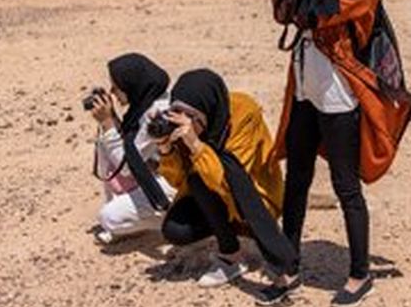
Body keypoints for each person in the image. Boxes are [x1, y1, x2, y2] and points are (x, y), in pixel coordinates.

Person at [266, 0, 411, 307]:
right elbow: (287, 10)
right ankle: (289, 266)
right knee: (297, 178)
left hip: (338, 92)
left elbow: (320, 14)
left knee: (344, 185)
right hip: (305, 87)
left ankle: (359, 274)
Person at [154, 69, 297, 289]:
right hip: (212, 194)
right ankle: (227, 234)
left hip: (250, 198)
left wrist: (196, 145)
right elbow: (177, 181)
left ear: (205, 113)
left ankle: (230, 255)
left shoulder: (243, 114)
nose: (184, 123)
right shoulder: (184, 129)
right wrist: (166, 150)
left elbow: (233, 181)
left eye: (191, 117)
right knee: (175, 230)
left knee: (199, 180)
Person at [89, 53, 176, 244]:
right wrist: (111, 120)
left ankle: (173, 221)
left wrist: (108, 124)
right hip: (158, 172)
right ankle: (131, 213)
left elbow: (127, 166)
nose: (112, 92)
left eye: (117, 88)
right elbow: (131, 148)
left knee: (109, 217)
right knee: (106, 144)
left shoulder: (156, 114)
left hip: (174, 184)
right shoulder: (146, 103)